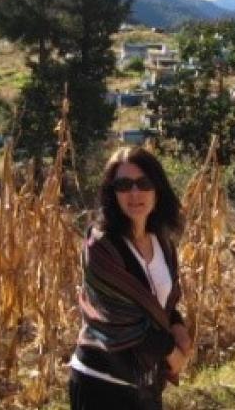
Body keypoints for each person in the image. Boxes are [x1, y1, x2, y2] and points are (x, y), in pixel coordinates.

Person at [69, 146, 193, 410]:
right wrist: (172, 352)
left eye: (143, 183)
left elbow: (163, 303)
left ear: (157, 189)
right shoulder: (101, 246)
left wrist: (179, 327)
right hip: (101, 384)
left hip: (144, 384)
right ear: (112, 193)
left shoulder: (162, 242)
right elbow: (120, 321)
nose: (134, 193)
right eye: (124, 185)